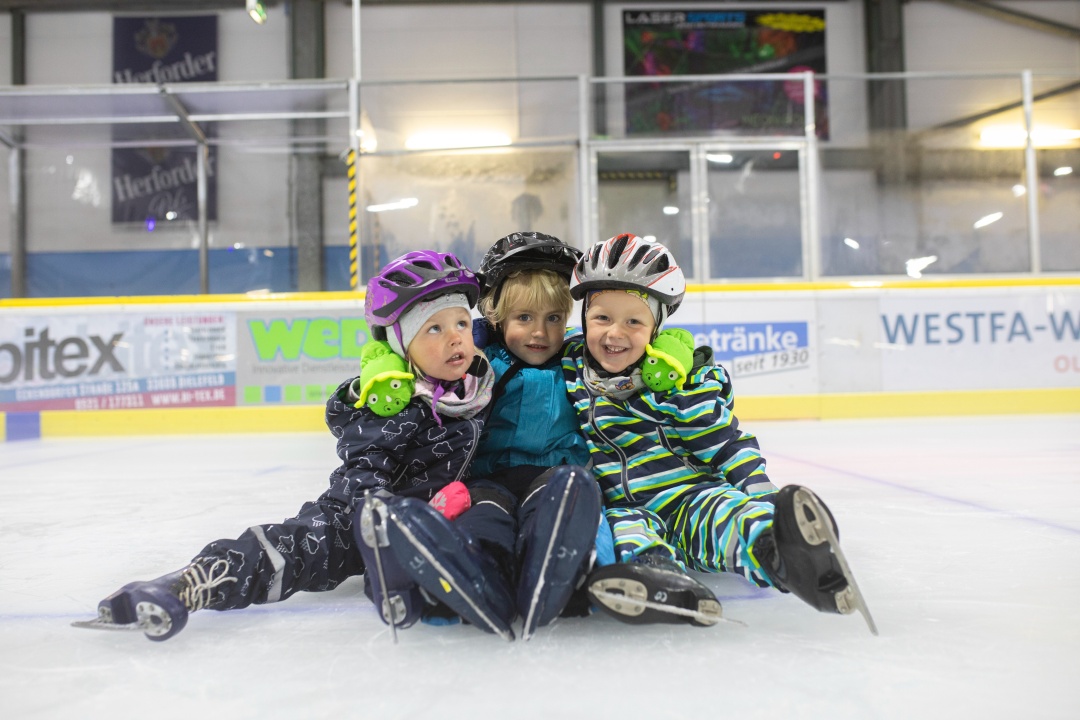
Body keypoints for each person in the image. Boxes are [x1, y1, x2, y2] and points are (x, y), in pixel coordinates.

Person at [75, 251, 514, 641]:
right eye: (433, 329)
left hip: (434, 519)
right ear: (401, 347)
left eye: (460, 322)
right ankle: (187, 584)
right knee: (294, 547)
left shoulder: (475, 382)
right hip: (358, 520)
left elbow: (508, 328)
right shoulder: (393, 404)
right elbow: (363, 477)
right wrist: (379, 524)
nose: (456, 337)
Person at [564, 233, 877, 633]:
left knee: (729, 514)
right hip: (627, 507)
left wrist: (764, 494)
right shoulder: (572, 369)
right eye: (602, 318)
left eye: (634, 322)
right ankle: (663, 582)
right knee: (627, 536)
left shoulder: (683, 381)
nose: (614, 334)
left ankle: (785, 551)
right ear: (585, 319)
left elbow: (726, 445)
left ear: (657, 328)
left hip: (690, 496)